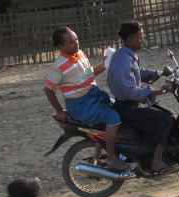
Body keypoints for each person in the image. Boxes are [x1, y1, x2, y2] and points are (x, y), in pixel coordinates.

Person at [44, 26, 126, 171]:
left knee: (123, 107)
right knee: (113, 118)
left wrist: (105, 65)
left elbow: (90, 74)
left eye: (76, 39)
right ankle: (111, 157)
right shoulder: (58, 66)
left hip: (94, 96)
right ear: (61, 46)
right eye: (71, 42)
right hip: (81, 105)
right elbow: (48, 89)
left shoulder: (80, 54)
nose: (76, 43)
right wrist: (59, 111)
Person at [106, 20, 175, 174]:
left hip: (131, 103)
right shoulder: (124, 59)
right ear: (130, 38)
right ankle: (155, 161)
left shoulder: (126, 54)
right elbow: (130, 90)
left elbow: (139, 73)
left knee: (169, 114)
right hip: (129, 106)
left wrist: (160, 73)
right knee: (166, 119)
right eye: (140, 37)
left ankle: (154, 155)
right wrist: (157, 91)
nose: (143, 40)